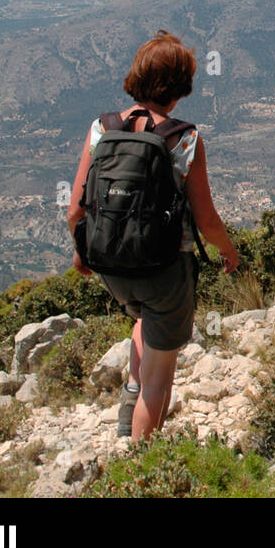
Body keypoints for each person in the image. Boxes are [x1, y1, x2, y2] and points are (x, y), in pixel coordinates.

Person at [67, 31, 240, 440]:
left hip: (112, 266)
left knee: (143, 318)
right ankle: (143, 470)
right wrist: (228, 251)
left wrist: (82, 254)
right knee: (159, 380)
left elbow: (75, 210)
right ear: (180, 87)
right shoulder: (185, 138)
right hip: (164, 268)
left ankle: (129, 396)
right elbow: (206, 221)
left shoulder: (101, 129)